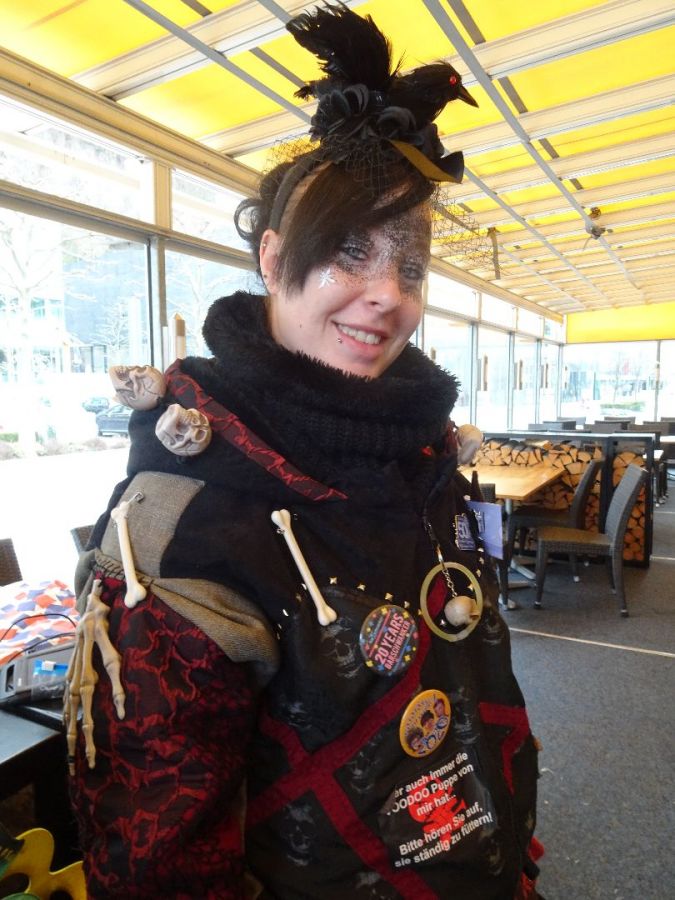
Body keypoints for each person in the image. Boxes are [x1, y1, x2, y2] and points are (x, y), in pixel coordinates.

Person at [64, 3, 542, 897]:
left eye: (409, 266)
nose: (386, 294)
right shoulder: (187, 518)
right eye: (349, 253)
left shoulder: (419, 449)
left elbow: (465, 666)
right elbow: (161, 861)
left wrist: (506, 841)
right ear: (273, 257)